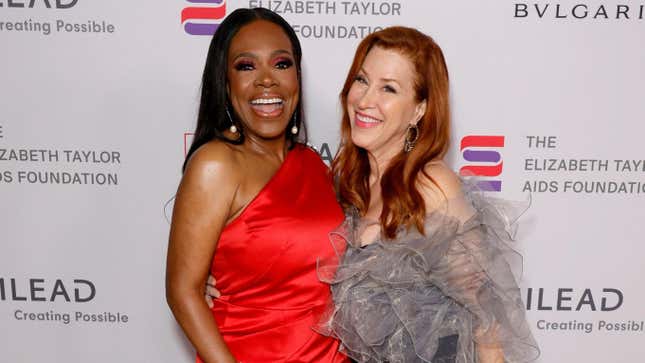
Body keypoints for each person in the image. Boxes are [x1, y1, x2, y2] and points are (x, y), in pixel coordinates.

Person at [315, 27, 541, 362]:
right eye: (361, 80)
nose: (364, 100)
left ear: (419, 110)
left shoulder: (432, 186)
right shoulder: (350, 184)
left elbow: (486, 319)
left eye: (388, 88)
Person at [166, 8, 348, 363]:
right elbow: (182, 291)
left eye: (281, 64)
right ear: (225, 81)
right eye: (246, 66)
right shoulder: (215, 164)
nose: (267, 80)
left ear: (297, 76)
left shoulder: (314, 165)